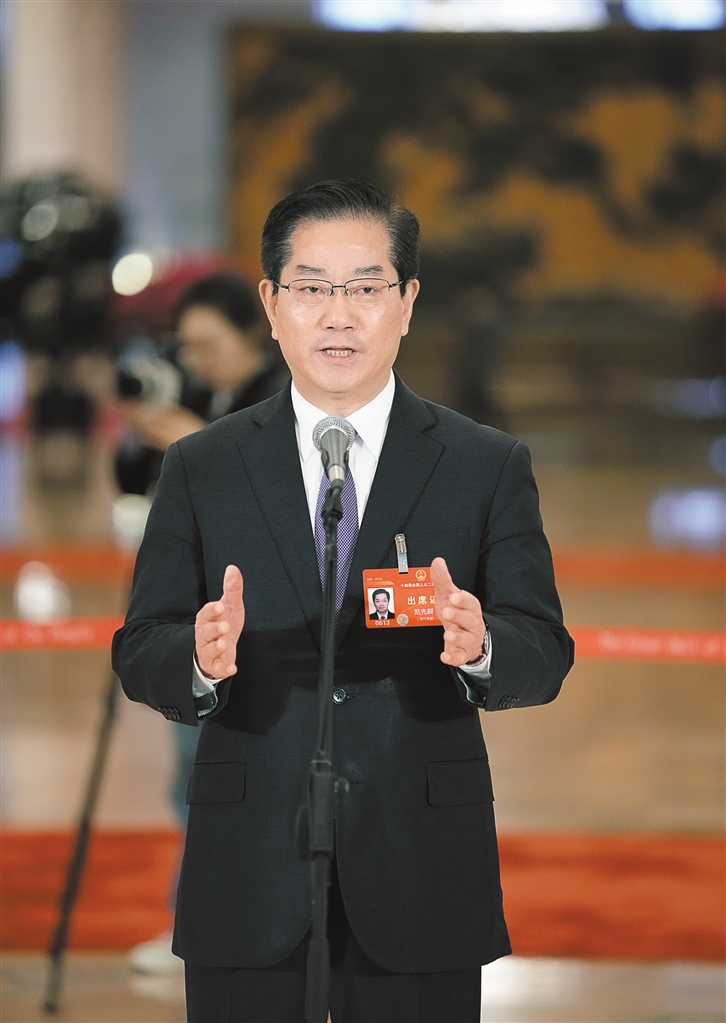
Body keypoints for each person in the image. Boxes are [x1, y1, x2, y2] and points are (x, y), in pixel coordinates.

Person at [112, 179, 574, 1023]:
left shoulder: (484, 464)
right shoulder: (202, 466)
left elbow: (544, 648)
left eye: (365, 288)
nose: (338, 315)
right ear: (271, 304)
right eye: (312, 288)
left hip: (420, 862)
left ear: (407, 303)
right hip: (249, 861)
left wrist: (482, 645)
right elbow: (141, 644)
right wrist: (197, 658)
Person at [118, 272, 288, 974]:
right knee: (192, 775)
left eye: (209, 344)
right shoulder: (195, 392)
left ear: (251, 332)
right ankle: (200, 923)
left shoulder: (283, 397)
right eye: (187, 346)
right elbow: (136, 487)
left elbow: (278, 498)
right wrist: (145, 438)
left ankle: (224, 925)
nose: (198, 360)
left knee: (229, 778)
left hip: (260, 624)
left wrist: (196, 442)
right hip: (190, 616)